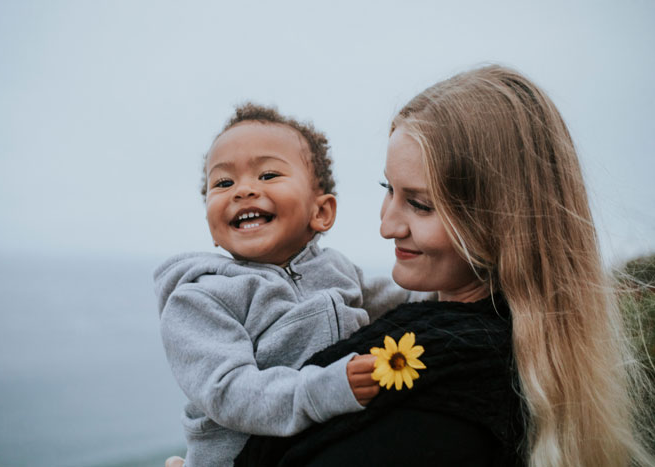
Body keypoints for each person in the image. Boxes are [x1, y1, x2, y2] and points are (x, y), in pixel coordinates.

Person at [236, 66, 655, 466]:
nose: (386, 225)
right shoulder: (505, 358)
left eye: (419, 204)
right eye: (389, 189)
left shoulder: (442, 406)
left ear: (500, 221)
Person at [155, 103, 415, 467]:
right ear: (211, 226)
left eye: (268, 175)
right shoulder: (199, 299)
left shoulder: (338, 269)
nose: (242, 190)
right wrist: (323, 391)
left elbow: (410, 302)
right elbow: (228, 391)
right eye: (224, 182)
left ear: (320, 212)